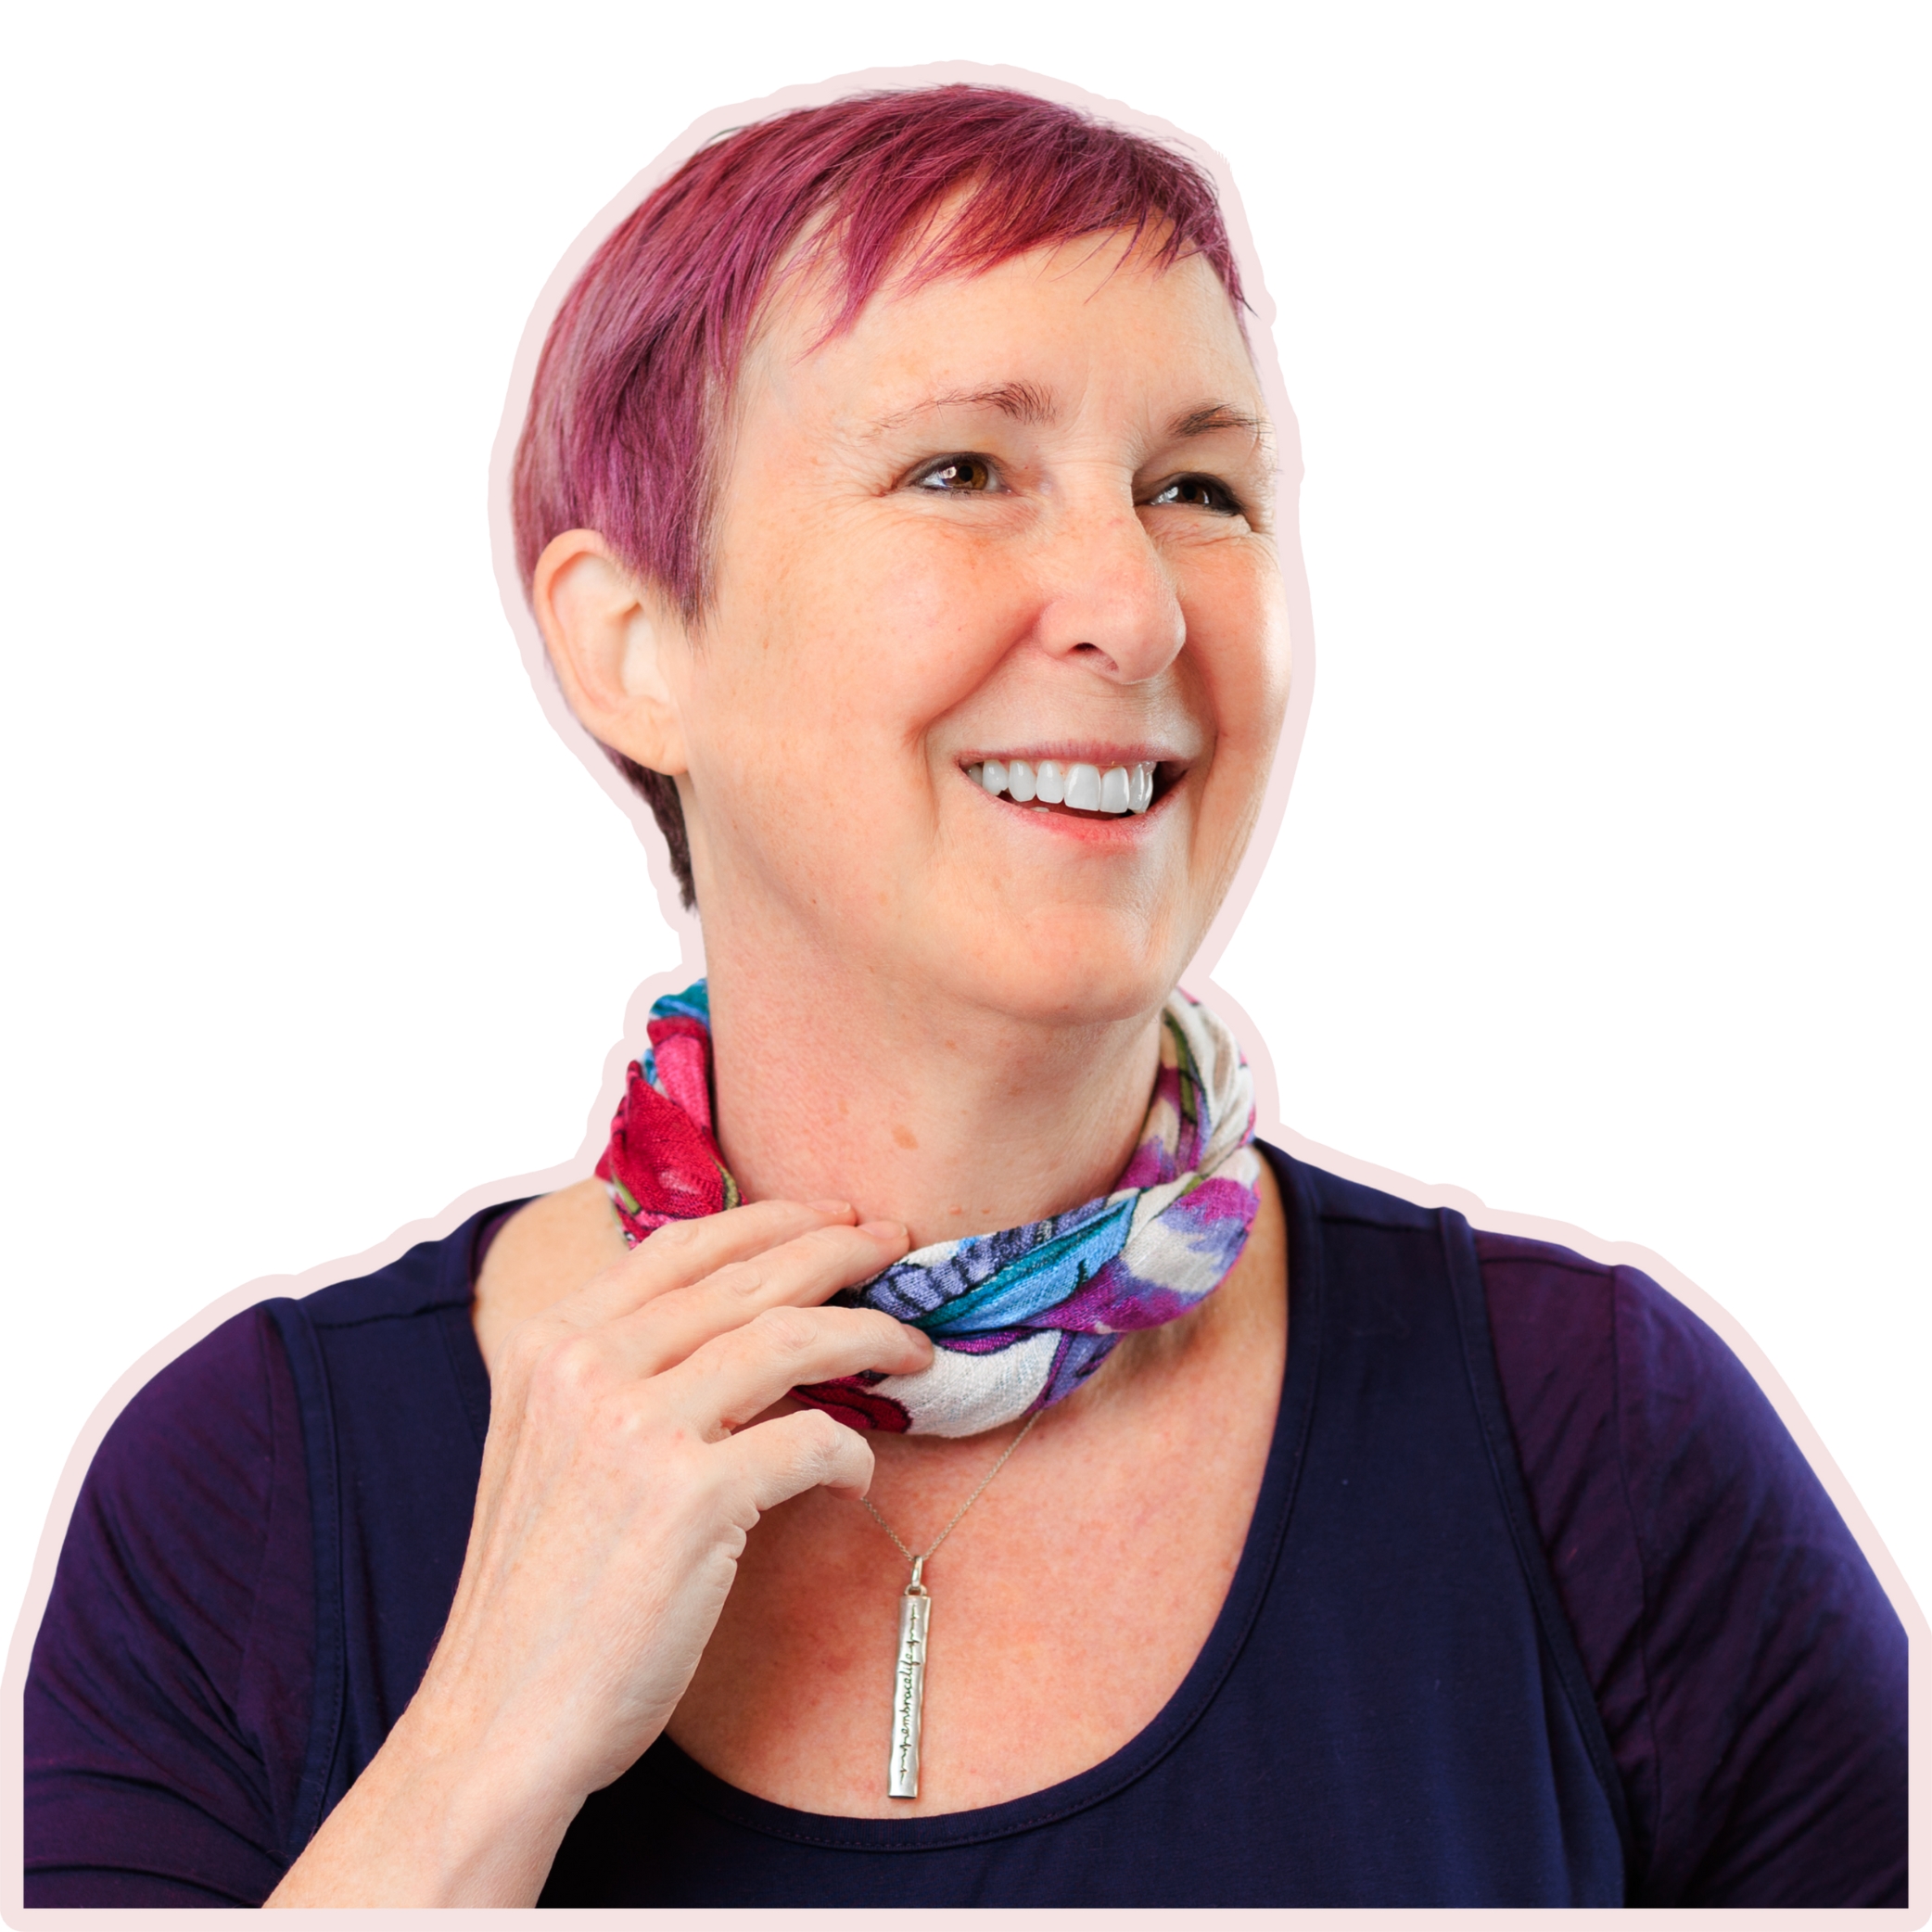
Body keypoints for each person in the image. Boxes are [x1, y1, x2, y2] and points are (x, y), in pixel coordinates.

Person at [21, 84, 1907, 1909]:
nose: (1137, 608)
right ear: (635, 644)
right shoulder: (252, 1494)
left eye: (1198, 488)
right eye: (960, 471)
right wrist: (484, 1747)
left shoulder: (1604, 1446)